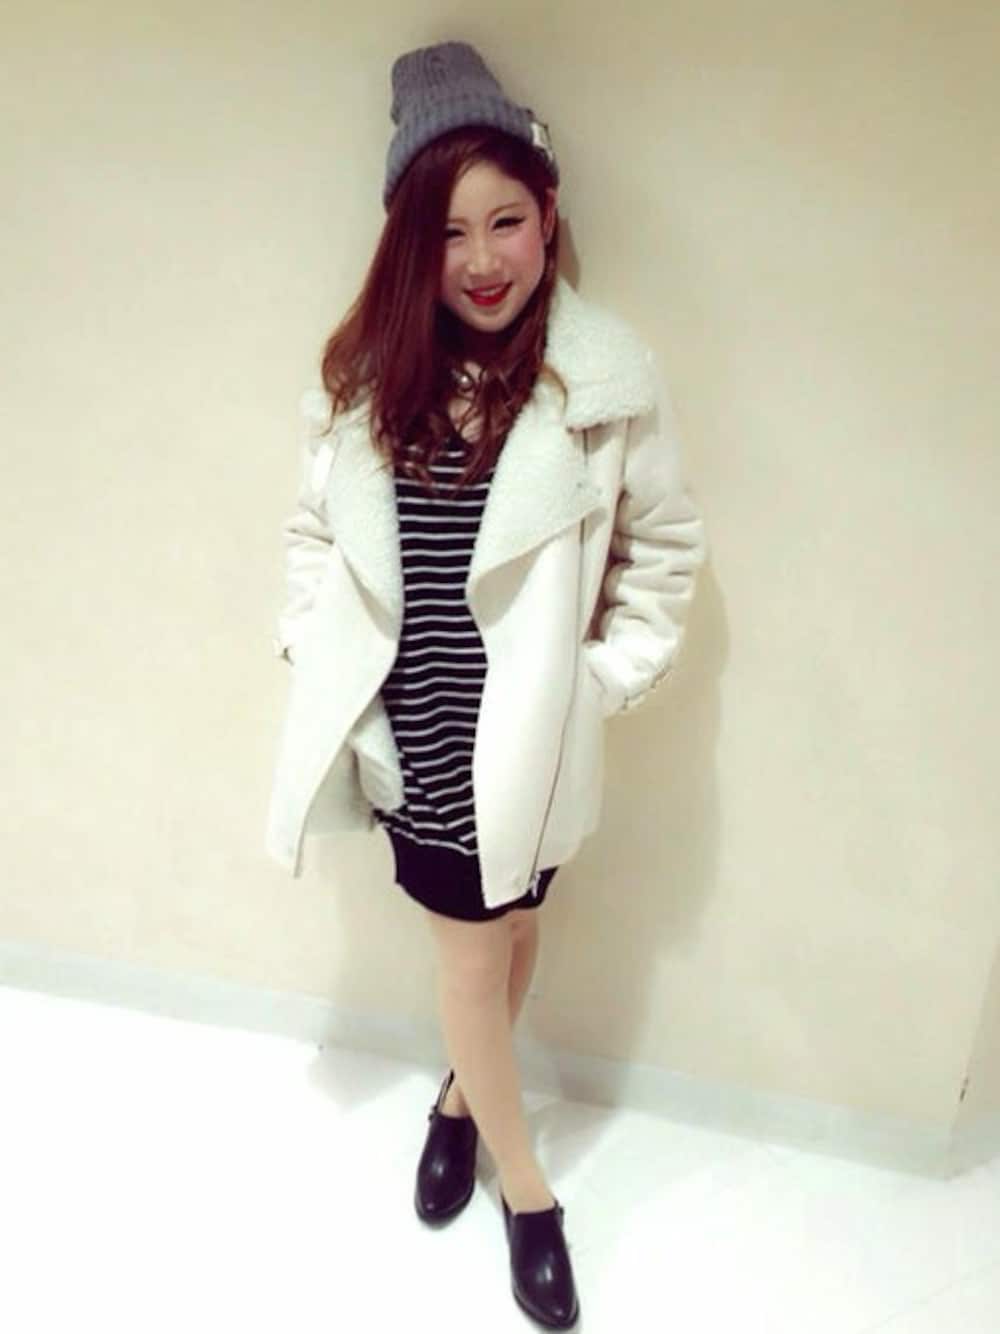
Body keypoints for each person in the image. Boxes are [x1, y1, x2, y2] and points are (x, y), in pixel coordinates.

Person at [266, 39, 706, 1331]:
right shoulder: (365, 379)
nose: (482, 258)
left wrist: (597, 684)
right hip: (423, 743)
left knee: (512, 929)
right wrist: (311, 644)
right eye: (449, 230)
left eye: (505, 220)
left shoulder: (603, 379)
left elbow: (663, 550)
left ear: (547, 214)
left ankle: (462, 1099)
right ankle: (530, 1192)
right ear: (412, 240)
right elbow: (312, 538)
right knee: (470, 955)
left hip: (534, 745)